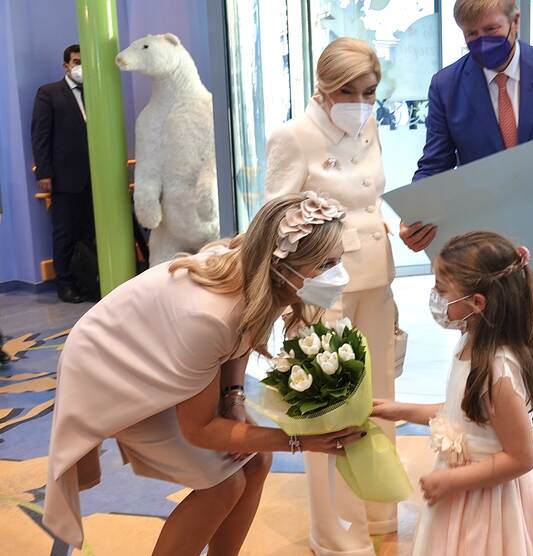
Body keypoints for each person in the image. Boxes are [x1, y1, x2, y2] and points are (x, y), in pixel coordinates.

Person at [44, 192, 365, 555]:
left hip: (165, 355)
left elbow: (242, 337)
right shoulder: (210, 317)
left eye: (337, 260)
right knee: (221, 486)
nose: (337, 275)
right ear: (284, 264)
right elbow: (199, 430)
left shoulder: (266, 277)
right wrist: (298, 441)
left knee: (257, 460)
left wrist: (233, 396)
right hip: (113, 373)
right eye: (324, 265)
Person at [400, 0, 533, 465]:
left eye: (489, 30)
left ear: (515, 21)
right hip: (484, 256)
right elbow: (434, 163)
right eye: (469, 36)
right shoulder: (448, 85)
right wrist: (416, 216)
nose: (480, 43)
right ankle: (491, 449)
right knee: (487, 355)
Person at [265, 37, 397, 556]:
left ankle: (381, 515)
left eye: (370, 92)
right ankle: (335, 535)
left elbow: (369, 201)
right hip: (323, 294)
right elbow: (274, 222)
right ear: (327, 87)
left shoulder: (368, 125)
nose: (363, 103)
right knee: (328, 412)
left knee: (378, 402)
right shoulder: (293, 136)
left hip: (377, 284)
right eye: (353, 92)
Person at [373, 231, 533, 555]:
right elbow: (464, 413)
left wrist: (451, 482)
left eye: (442, 289)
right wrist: (400, 410)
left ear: (477, 303)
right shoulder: (470, 340)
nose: (435, 296)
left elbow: (521, 458)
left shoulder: (498, 371)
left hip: (493, 501)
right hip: (469, 489)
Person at [31, 44, 95, 303]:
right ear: (66, 65)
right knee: (65, 232)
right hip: (65, 176)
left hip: (95, 176)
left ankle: (89, 279)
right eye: (76, 61)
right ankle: (65, 283)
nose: (80, 67)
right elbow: (40, 136)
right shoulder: (49, 93)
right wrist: (44, 173)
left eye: (84, 61)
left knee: (90, 231)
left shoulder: (96, 92)